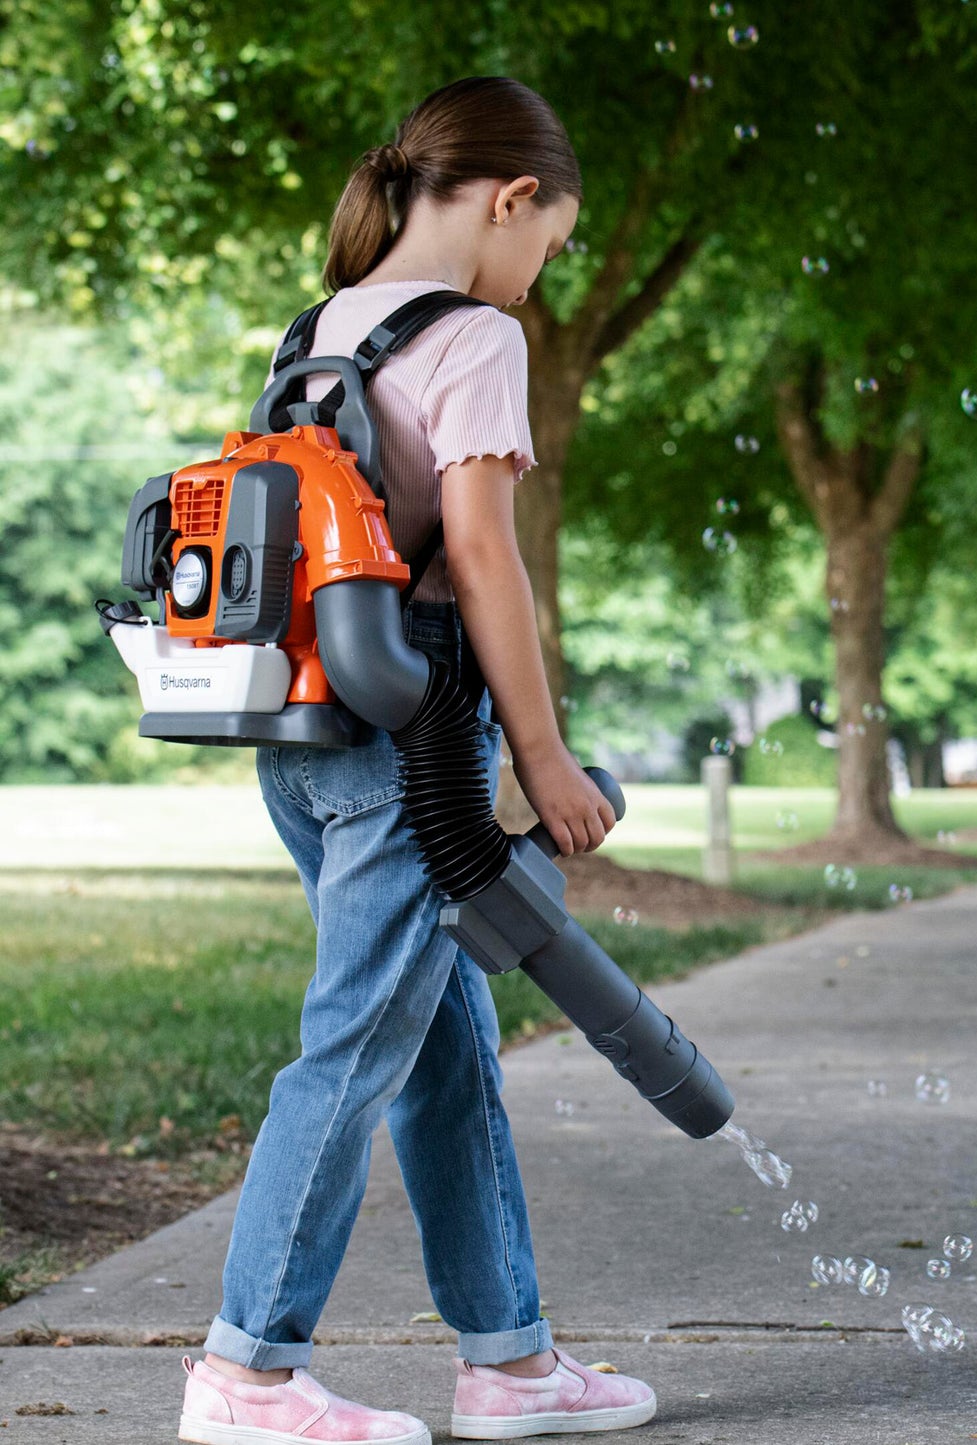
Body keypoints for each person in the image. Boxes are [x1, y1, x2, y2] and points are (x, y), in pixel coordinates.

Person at [177, 76, 656, 1445]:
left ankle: (507, 1360)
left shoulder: (312, 331)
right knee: (354, 1049)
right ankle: (246, 1374)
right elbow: (485, 555)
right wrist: (550, 761)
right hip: (418, 746)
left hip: (307, 736)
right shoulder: (475, 337)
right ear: (512, 201)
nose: (542, 275)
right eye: (550, 246)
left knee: (443, 1045)